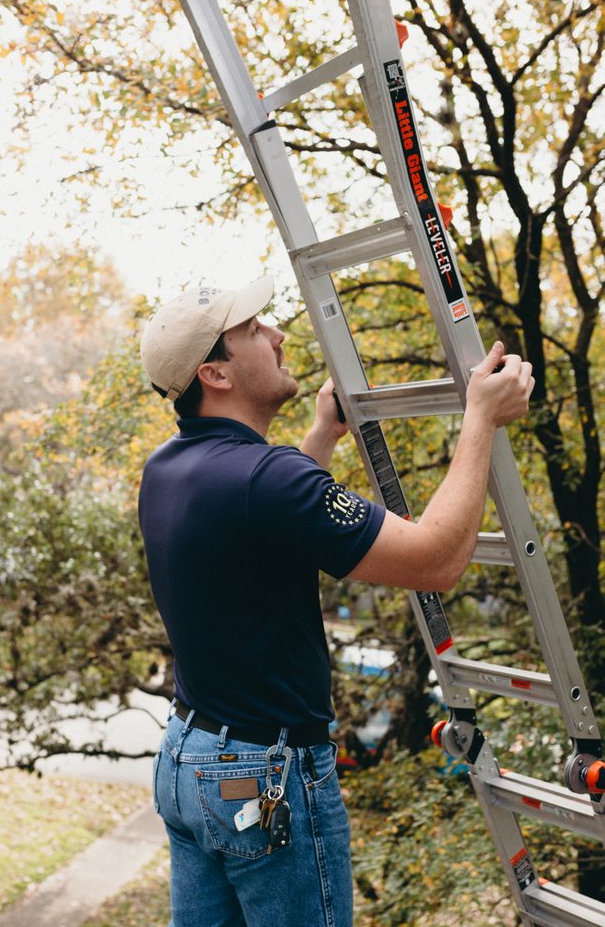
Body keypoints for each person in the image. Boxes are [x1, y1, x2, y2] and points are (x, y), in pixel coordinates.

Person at [138, 274, 533, 927]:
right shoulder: (268, 479)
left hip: (189, 760)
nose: (277, 333)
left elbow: (264, 526)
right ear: (216, 373)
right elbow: (435, 561)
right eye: (253, 330)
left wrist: (322, 436)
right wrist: (481, 419)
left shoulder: (169, 469)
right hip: (263, 774)